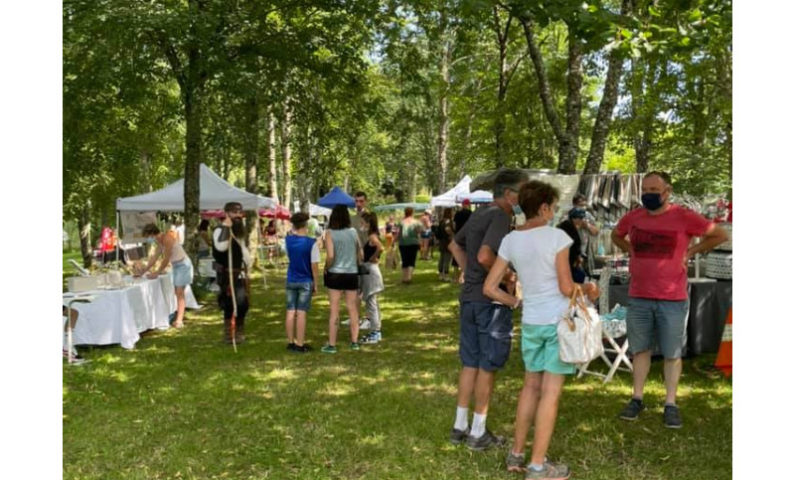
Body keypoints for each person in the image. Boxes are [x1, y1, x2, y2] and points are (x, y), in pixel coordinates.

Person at [484, 180, 599, 479]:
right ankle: (537, 466)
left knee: (530, 388)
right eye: (554, 207)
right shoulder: (556, 237)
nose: (554, 212)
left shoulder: (511, 239)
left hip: (532, 323)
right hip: (558, 323)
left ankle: (517, 454)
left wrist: (516, 302)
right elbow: (564, 287)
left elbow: (489, 287)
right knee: (550, 393)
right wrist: (587, 288)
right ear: (545, 207)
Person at [611, 171, 728, 428]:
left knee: (672, 353)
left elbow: (720, 234)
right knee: (640, 349)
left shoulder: (684, 217)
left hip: (672, 297)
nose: (648, 194)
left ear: (667, 191)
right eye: (645, 189)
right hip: (639, 295)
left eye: (654, 190)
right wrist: (629, 249)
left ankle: (671, 403)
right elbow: (615, 235)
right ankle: (637, 398)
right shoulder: (634, 216)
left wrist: (691, 251)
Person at [447, 168, 529, 451]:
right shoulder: (499, 216)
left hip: (469, 298)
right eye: (523, 192)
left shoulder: (479, 213)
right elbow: (485, 255)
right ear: (509, 194)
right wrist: (504, 277)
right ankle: (478, 431)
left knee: (470, 362)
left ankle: (460, 426)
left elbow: (454, 245)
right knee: (487, 365)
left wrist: (470, 274)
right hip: (489, 304)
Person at [322, 204, 364, 353]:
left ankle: (332, 345)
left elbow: (331, 256)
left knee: (334, 310)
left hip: (335, 274)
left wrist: (326, 267)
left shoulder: (329, 233)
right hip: (351, 273)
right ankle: (354, 342)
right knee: (352, 308)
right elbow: (361, 254)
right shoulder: (353, 232)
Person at [138, 223, 194, 329]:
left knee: (179, 292)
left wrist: (157, 272)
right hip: (176, 266)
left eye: (148, 236)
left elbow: (166, 258)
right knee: (177, 292)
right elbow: (155, 257)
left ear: (152, 234)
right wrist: (144, 270)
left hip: (183, 265)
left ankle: (179, 320)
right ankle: (178, 316)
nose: (148, 239)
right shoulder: (160, 241)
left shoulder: (167, 239)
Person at [213, 202, 253, 344]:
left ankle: (239, 332)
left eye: (239, 212)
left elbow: (243, 250)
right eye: (234, 212)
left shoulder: (238, 232)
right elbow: (221, 247)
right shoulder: (219, 230)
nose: (238, 215)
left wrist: (248, 265)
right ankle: (229, 335)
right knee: (230, 304)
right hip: (227, 274)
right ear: (227, 213)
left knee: (243, 304)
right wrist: (226, 227)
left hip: (239, 273)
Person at [284, 212, 321, 353]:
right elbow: (314, 266)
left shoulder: (288, 240)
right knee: (301, 312)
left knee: (290, 310)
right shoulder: (311, 243)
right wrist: (315, 283)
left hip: (291, 278)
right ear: (306, 225)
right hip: (305, 280)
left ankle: (290, 341)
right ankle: (300, 343)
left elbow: (288, 255)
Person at [358, 212, 385, 344]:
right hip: (369, 270)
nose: (361, 225)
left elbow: (381, 247)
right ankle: (376, 330)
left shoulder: (372, 236)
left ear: (368, 224)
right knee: (372, 302)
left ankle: (375, 332)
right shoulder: (370, 236)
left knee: (371, 303)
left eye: (363, 223)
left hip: (371, 272)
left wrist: (374, 257)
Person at [556, 208, 588, 283]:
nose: (582, 221)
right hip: (568, 264)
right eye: (580, 218)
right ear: (574, 218)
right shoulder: (569, 228)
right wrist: (578, 258)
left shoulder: (565, 226)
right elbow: (575, 246)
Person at [396, 207, 422, 283]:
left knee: (404, 260)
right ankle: (409, 277)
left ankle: (404, 277)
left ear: (405, 212)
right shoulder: (416, 222)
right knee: (412, 260)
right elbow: (419, 232)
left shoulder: (401, 222)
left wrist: (394, 241)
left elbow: (399, 234)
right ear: (412, 213)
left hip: (403, 243)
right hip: (414, 243)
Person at [451, 199, 473, 283]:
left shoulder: (457, 214)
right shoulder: (470, 214)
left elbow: (454, 225)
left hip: (458, 236)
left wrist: (455, 232)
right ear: (468, 204)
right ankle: (462, 276)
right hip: (467, 237)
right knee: (465, 255)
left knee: (456, 255)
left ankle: (455, 276)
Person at [436, 207, 455, 281]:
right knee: (447, 258)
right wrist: (453, 235)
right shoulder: (448, 221)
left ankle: (441, 273)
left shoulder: (441, 221)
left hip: (441, 242)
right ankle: (445, 274)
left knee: (442, 257)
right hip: (447, 242)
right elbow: (448, 230)